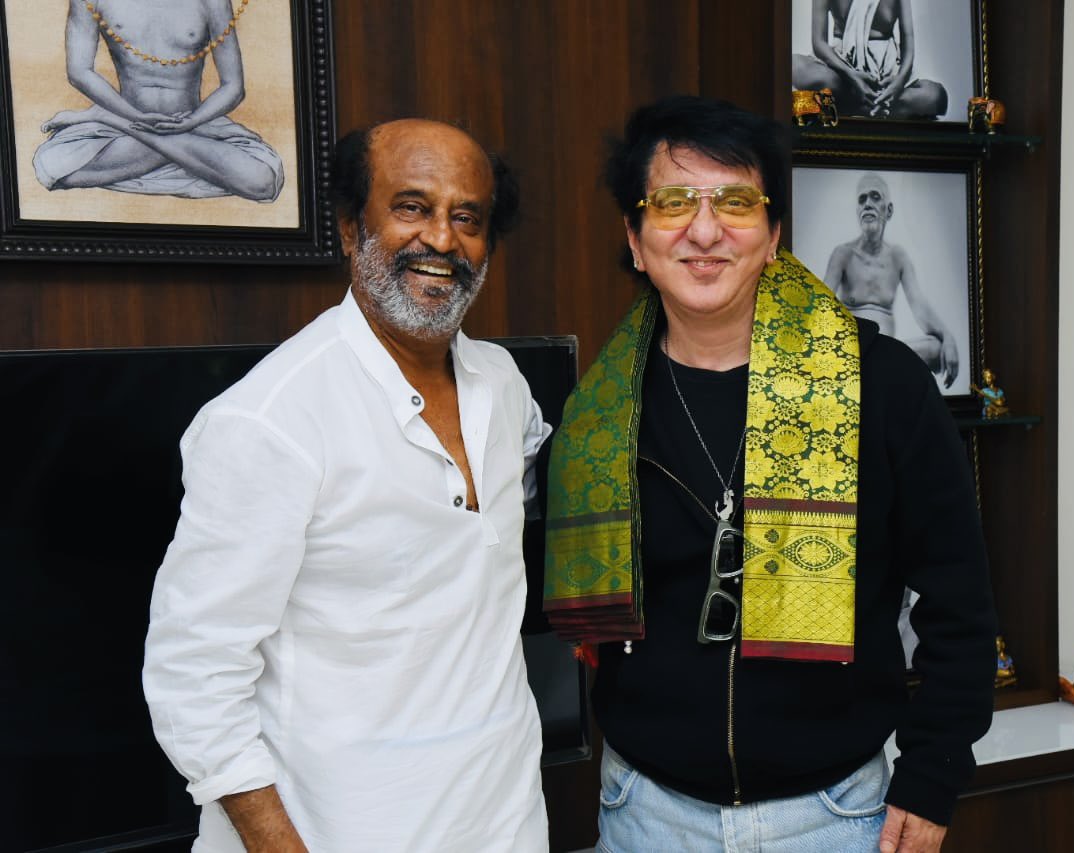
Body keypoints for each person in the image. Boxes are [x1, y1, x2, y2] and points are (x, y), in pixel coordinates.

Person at [543, 95, 996, 853]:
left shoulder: (882, 384)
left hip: (834, 816)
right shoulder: (597, 416)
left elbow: (960, 597)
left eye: (736, 202)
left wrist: (934, 770)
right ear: (634, 238)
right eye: (674, 202)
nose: (705, 230)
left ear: (774, 232)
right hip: (646, 812)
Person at [143, 118, 551, 852]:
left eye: (467, 218)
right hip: (336, 829)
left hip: (504, 819)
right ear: (347, 228)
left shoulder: (504, 386)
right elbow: (194, 674)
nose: (442, 239)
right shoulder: (270, 420)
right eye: (412, 207)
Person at [34, 0, 283, 201]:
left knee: (264, 183)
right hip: (127, 123)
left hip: (195, 123)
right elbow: (79, 72)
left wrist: (193, 121)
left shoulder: (213, 2)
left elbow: (233, 87)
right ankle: (179, 151)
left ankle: (106, 117)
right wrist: (134, 116)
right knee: (51, 166)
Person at [825, 172, 961, 388]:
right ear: (858, 211)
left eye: (875, 197)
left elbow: (921, 310)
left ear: (888, 210)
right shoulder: (843, 254)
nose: (867, 204)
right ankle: (878, 375)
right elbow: (821, 309)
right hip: (852, 353)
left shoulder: (898, 256)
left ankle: (877, 374)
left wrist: (949, 338)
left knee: (936, 349)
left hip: (887, 352)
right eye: (862, 199)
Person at [792, 0, 946, 119]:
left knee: (934, 95)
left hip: (886, 70)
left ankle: (844, 105)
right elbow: (819, 43)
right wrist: (851, 75)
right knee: (794, 65)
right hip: (842, 65)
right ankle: (879, 108)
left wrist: (899, 82)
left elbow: (908, 43)